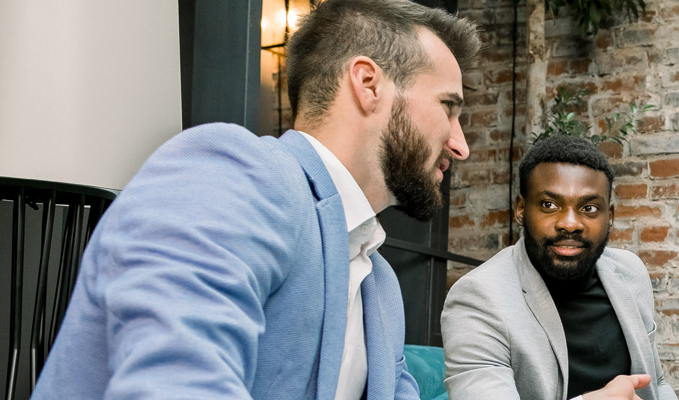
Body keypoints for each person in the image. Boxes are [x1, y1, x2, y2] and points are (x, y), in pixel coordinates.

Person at [29, 1, 479, 399]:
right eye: (448, 107)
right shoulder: (236, 169)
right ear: (368, 83)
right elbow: (175, 378)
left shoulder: (378, 286)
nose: (461, 145)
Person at [441, 135, 678, 400]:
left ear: (609, 217)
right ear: (521, 209)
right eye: (549, 205)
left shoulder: (630, 272)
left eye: (589, 208)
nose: (569, 223)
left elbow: (656, 383)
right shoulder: (478, 297)